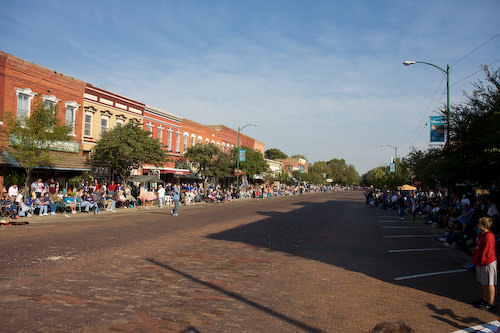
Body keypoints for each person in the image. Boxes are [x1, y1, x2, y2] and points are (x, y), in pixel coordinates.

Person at [472, 216, 497, 311]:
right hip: (481, 262)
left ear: (484, 225)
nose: (478, 225)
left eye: (480, 224)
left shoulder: (489, 236)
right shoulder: (481, 235)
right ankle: (485, 299)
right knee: (484, 282)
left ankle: (491, 302)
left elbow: (488, 252)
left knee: (490, 282)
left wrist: (482, 261)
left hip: (488, 262)